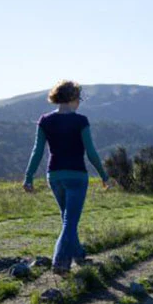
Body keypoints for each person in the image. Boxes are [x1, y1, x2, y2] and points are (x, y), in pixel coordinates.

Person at [22, 80, 111, 276]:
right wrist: (104, 175)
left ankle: (79, 256)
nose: (79, 102)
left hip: (54, 176)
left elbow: (37, 151)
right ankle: (61, 262)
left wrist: (28, 177)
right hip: (77, 176)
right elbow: (91, 152)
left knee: (67, 219)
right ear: (72, 98)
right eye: (79, 98)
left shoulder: (45, 120)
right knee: (69, 221)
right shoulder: (81, 121)